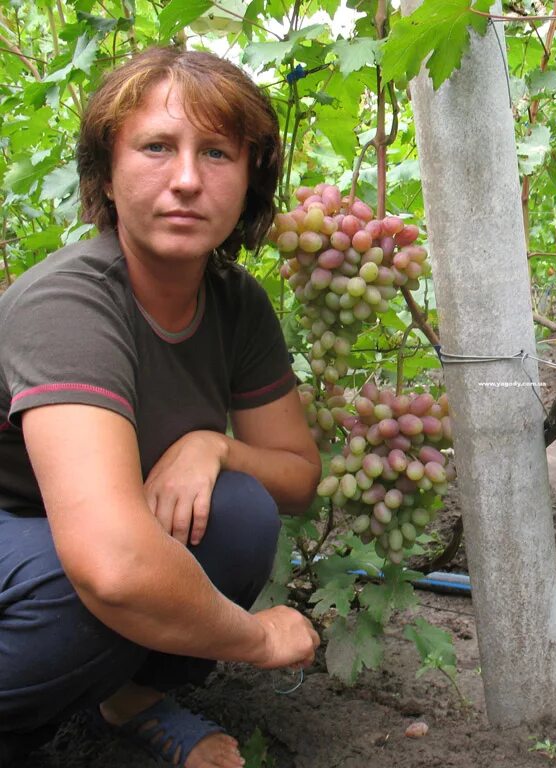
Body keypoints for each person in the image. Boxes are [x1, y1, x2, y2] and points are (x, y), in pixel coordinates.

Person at [0, 47, 322, 768]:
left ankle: (129, 694)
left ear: (250, 180)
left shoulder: (235, 302)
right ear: (106, 177)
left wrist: (216, 445)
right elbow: (112, 565)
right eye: (155, 147)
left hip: (71, 530)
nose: (185, 180)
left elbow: (298, 478)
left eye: (215, 153)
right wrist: (258, 637)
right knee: (90, 585)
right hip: (18, 535)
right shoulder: (70, 304)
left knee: (239, 514)